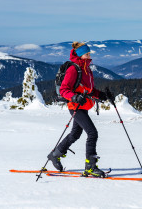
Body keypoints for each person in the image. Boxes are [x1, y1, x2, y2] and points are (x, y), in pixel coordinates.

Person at [48, 41, 114, 177]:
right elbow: (64, 89)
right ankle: (90, 167)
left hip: (83, 106)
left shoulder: (86, 69)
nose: (89, 56)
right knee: (92, 133)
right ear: (79, 55)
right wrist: (74, 98)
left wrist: (101, 94)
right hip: (75, 106)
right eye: (86, 54)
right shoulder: (74, 69)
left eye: (89, 53)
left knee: (75, 134)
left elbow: (88, 90)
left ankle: (55, 155)